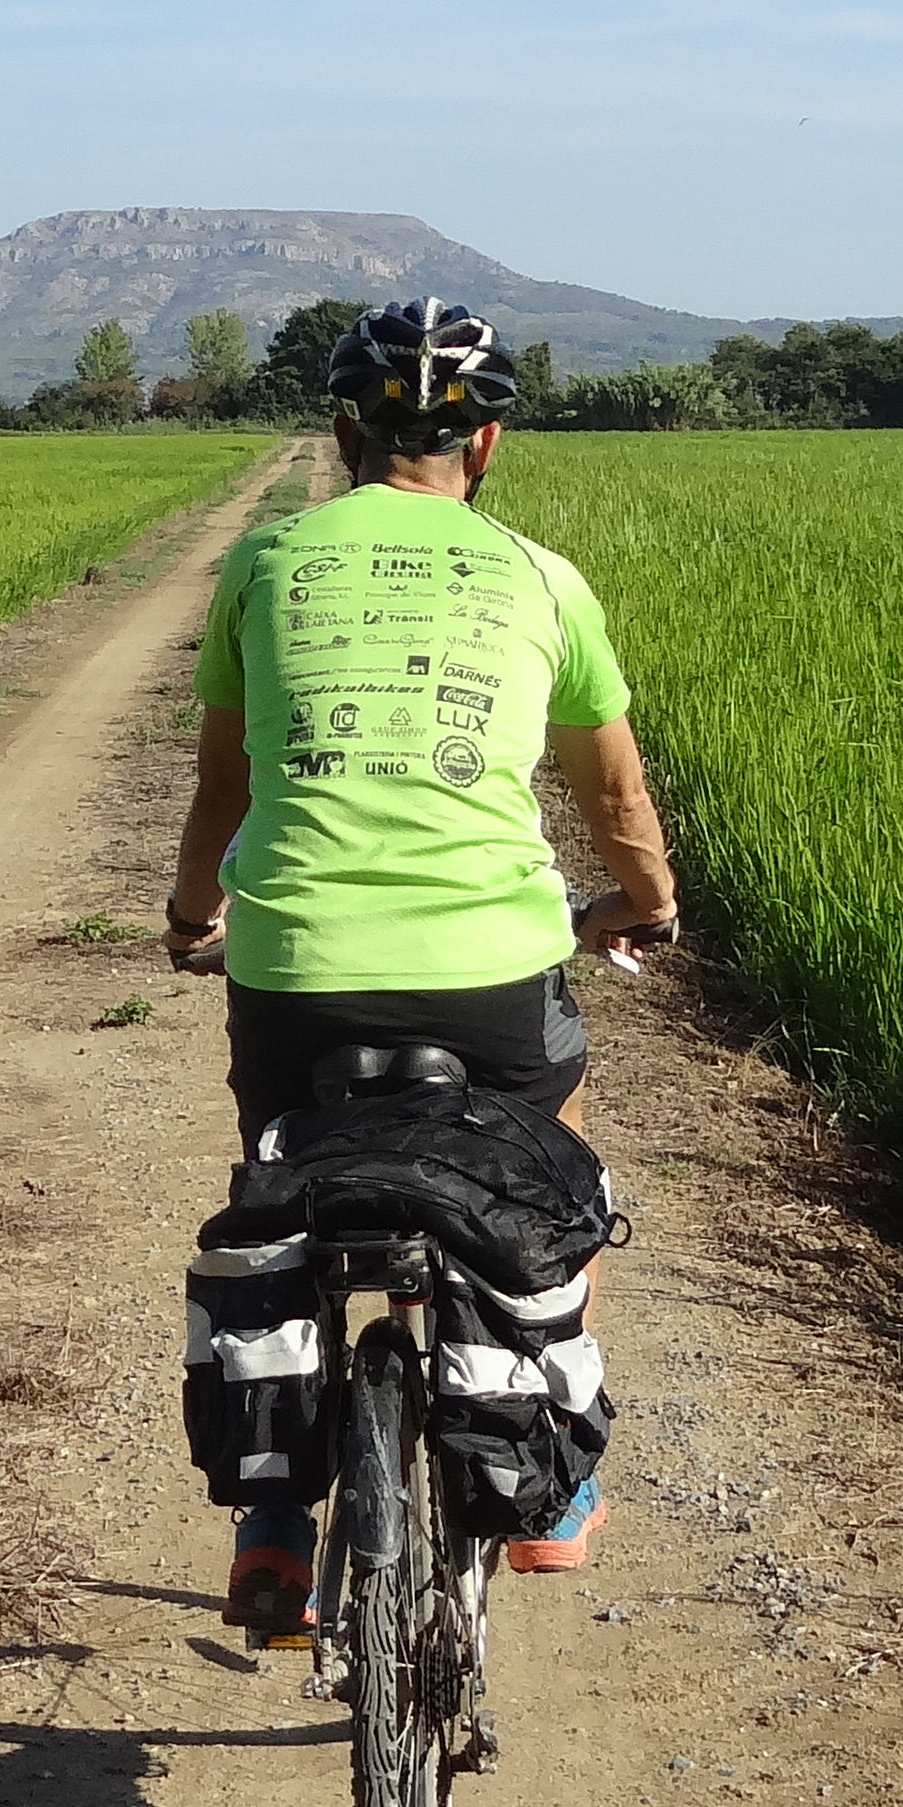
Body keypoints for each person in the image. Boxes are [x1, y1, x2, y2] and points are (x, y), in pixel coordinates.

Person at [166, 297, 680, 1642]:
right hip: (491, 976)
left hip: (295, 971)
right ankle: (555, 1495)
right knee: (554, 1178)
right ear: (488, 442)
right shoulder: (540, 578)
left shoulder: (267, 565)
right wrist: (646, 904)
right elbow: (615, 797)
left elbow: (226, 783)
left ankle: (275, 1522)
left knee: (282, 1172)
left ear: (341, 433)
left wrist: (187, 913)